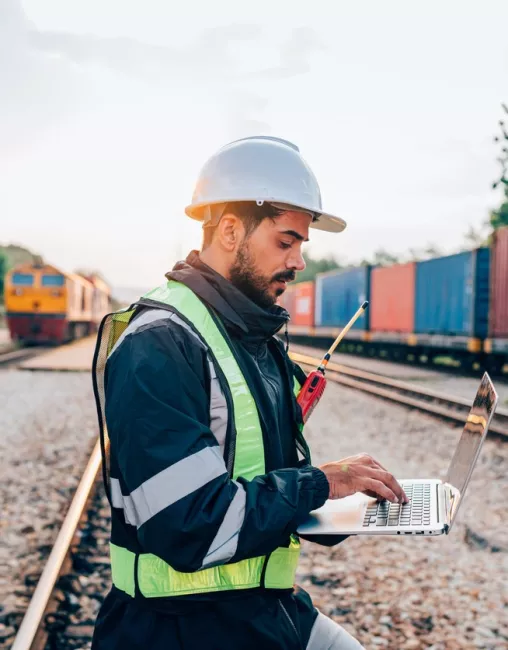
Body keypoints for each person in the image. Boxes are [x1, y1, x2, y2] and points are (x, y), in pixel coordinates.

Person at [91, 136, 408, 650]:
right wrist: (318, 484)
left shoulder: (250, 337)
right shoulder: (161, 344)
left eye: (302, 244)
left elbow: (256, 483)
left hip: (258, 611)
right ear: (232, 231)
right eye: (286, 241)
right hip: (182, 628)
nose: (300, 261)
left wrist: (346, 501)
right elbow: (190, 527)